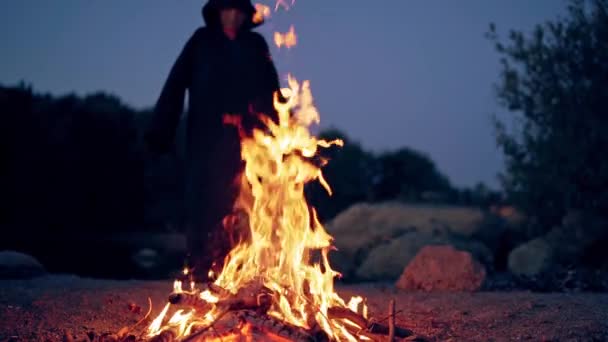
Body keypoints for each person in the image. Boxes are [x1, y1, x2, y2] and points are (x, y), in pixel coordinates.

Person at [144, 0, 282, 281]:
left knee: (242, 206)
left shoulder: (256, 45)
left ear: (246, 15)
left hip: (246, 145)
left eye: (238, 11)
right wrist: (160, 133)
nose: (232, 16)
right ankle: (200, 274)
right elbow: (175, 83)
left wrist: (279, 135)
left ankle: (236, 276)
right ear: (216, 13)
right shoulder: (201, 42)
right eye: (226, 10)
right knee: (203, 205)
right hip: (205, 141)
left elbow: (272, 92)